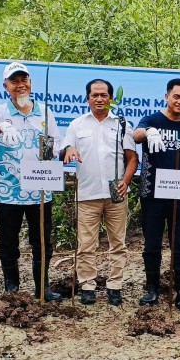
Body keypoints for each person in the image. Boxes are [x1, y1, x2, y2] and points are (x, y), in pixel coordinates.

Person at [0, 62, 62, 301]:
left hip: (41, 191)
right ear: (6, 86)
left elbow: (57, 144)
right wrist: (1, 128)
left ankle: (42, 287)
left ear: (31, 83)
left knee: (42, 241)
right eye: (14, 81)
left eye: (24, 80)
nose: (20, 85)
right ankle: (11, 288)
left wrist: (63, 150)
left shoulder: (45, 113)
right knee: (8, 241)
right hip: (8, 191)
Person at [59, 79, 137, 306]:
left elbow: (132, 158)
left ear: (110, 98)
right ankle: (87, 285)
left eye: (104, 95)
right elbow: (65, 147)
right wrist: (70, 149)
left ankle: (115, 285)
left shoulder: (122, 124)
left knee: (118, 243)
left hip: (117, 195)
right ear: (87, 98)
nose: (100, 99)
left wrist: (126, 180)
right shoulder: (77, 125)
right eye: (95, 95)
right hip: (87, 193)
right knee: (86, 244)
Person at [133, 78, 180, 316]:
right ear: (167, 96)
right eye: (176, 96)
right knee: (152, 244)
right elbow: (136, 134)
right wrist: (149, 132)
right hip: (152, 194)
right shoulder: (152, 120)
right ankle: (151, 288)